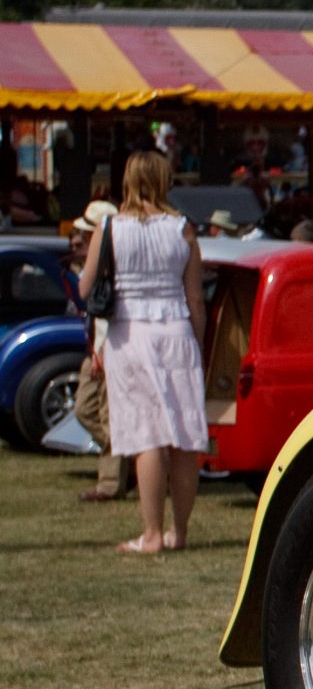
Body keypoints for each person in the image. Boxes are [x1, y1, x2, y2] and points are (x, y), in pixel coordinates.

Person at [77, 150, 208, 554]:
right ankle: (179, 533)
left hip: (129, 333)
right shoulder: (183, 229)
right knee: (184, 437)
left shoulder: (110, 227)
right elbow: (195, 298)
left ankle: (151, 534)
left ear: (128, 181)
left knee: (145, 435)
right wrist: (198, 347)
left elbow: (85, 289)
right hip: (176, 331)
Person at [67, 202, 138, 503]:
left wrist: (101, 352)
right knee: (84, 410)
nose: (79, 239)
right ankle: (136, 461)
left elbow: (107, 313)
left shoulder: (112, 268)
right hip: (94, 349)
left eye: (85, 233)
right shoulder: (93, 266)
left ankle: (110, 483)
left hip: (108, 348)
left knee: (111, 417)